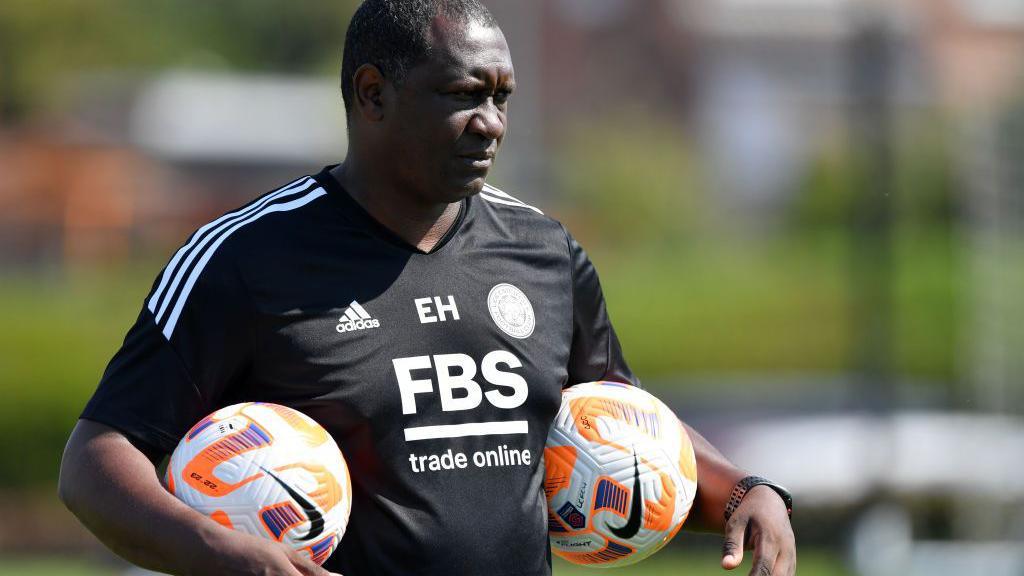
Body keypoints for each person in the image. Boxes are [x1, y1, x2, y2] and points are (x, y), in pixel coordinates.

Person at [58, 1, 796, 575]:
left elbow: (626, 430)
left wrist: (742, 490)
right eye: (464, 94)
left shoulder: (542, 252)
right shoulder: (246, 258)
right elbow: (97, 458)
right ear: (372, 94)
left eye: (503, 98)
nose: (492, 125)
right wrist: (209, 550)